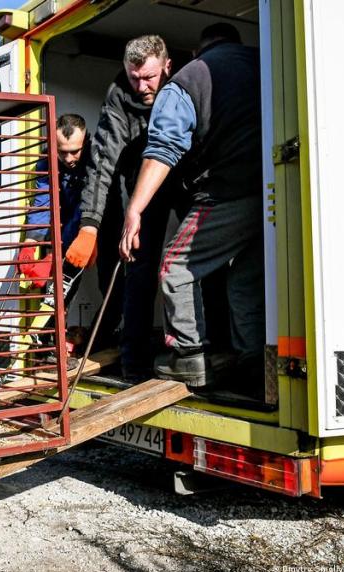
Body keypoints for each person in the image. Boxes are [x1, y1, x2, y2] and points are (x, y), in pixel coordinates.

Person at [119, 23, 264, 391]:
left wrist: (134, 209)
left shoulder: (188, 80)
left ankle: (189, 356)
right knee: (245, 280)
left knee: (176, 268)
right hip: (275, 190)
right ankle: (254, 362)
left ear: (196, 52)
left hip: (226, 191)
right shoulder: (265, 63)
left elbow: (163, 149)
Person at [63, 34, 182, 383]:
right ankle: (135, 366)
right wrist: (90, 224)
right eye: (134, 77)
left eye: (149, 77)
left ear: (167, 66)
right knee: (138, 268)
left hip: (185, 178)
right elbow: (101, 164)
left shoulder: (183, 89)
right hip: (141, 189)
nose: (142, 86)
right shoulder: (118, 98)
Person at [20, 113, 93, 370]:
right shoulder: (46, 162)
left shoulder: (95, 158)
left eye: (75, 152)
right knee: (58, 292)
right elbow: (42, 201)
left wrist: (89, 234)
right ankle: (51, 350)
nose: (69, 159)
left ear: (85, 142)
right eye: (62, 153)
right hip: (65, 232)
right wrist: (30, 243)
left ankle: (102, 338)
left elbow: (91, 202)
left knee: (110, 285)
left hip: (93, 226)